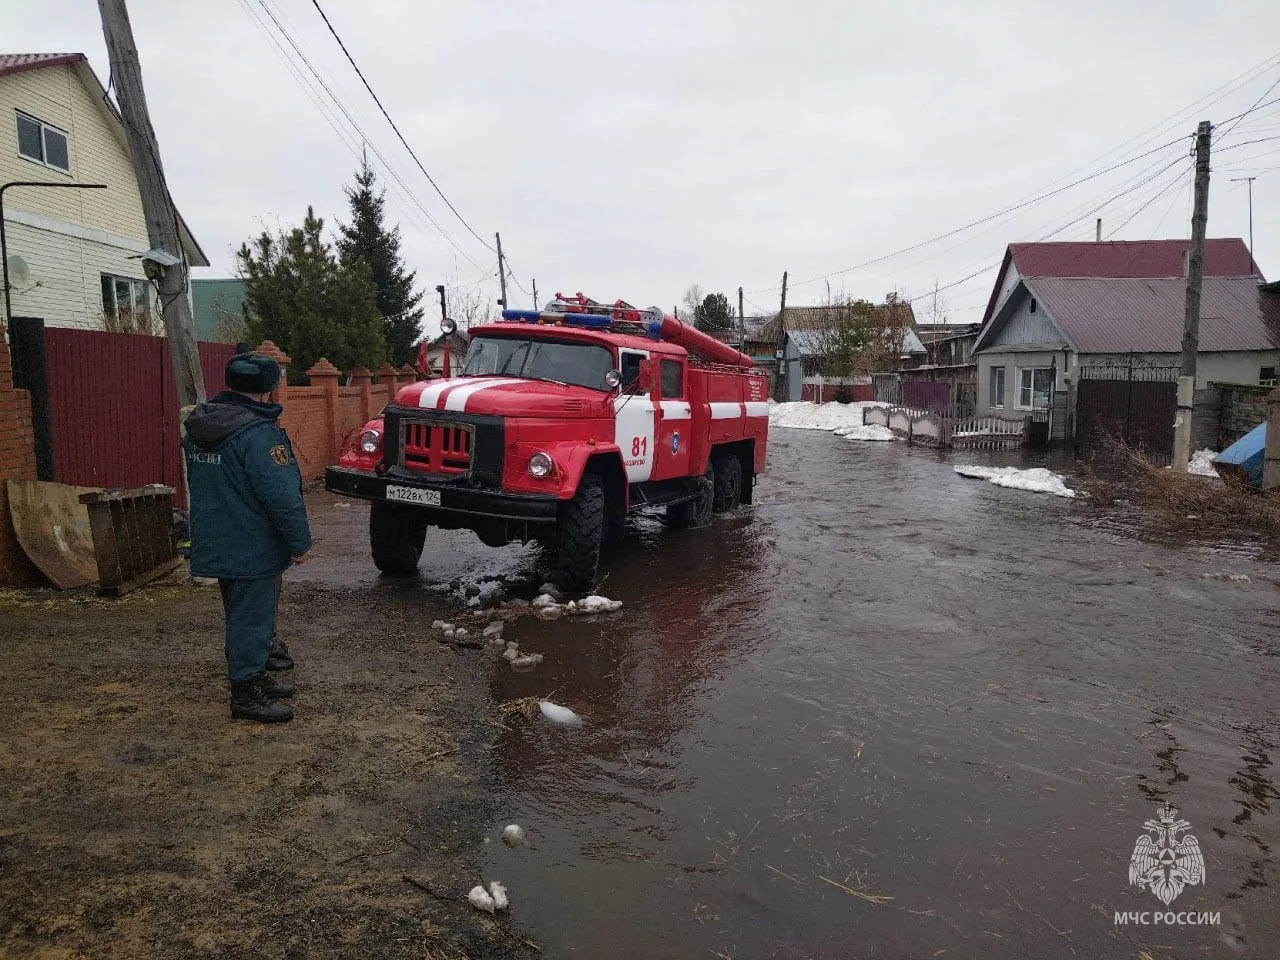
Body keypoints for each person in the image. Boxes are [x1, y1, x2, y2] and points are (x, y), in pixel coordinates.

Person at [183, 353, 312, 723]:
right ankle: (246, 692)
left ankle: (254, 676)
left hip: (219, 537)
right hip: (252, 543)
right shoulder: (258, 434)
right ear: (268, 390)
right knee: (251, 620)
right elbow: (281, 496)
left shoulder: (202, 427)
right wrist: (299, 542)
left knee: (241, 614)